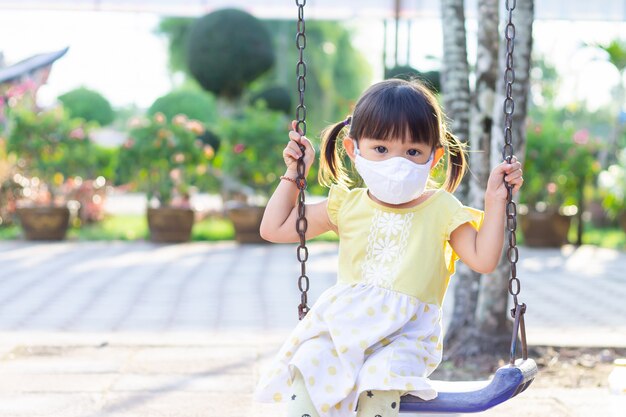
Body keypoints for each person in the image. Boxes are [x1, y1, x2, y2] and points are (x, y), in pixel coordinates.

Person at [253, 79, 524, 417]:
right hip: (342, 329)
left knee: (380, 381)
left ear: (434, 157)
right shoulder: (347, 205)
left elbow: (483, 259)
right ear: (354, 150)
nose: (397, 162)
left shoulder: (442, 209)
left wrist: (495, 200)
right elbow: (274, 228)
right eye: (381, 149)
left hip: (405, 338)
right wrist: (295, 174)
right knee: (309, 365)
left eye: (413, 152)